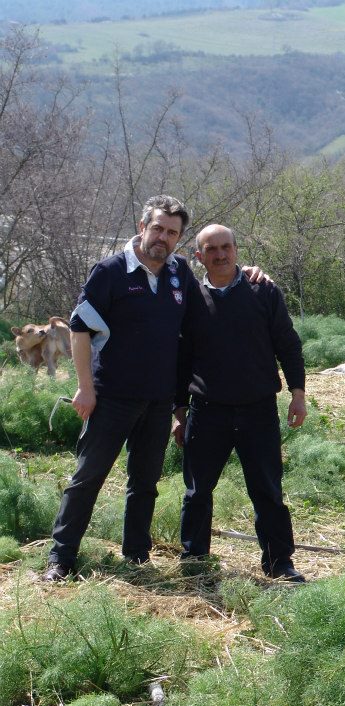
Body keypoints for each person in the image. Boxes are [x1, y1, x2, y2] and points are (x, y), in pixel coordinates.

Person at [42, 197, 267, 583]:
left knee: (144, 483)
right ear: (142, 225)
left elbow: (213, 293)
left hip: (158, 400)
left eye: (172, 232)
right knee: (88, 478)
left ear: (179, 239)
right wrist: (85, 388)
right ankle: (60, 558)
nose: (163, 237)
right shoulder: (111, 271)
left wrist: (244, 273)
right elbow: (80, 330)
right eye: (158, 228)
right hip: (110, 396)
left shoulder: (179, 272)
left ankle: (136, 557)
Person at [173, 224, 308, 582]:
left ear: (236, 249)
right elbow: (180, 358)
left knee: (268, 490)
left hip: (258, 408)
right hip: (207, 411)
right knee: (198, 491)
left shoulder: (262, 290)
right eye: (211, 249)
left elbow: (288, 344)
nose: (220, 255)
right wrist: (178, 410)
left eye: (226, 247)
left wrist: (298, 393)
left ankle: (279, 562)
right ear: (200, 256)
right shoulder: (190, 297)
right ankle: (195, 561)